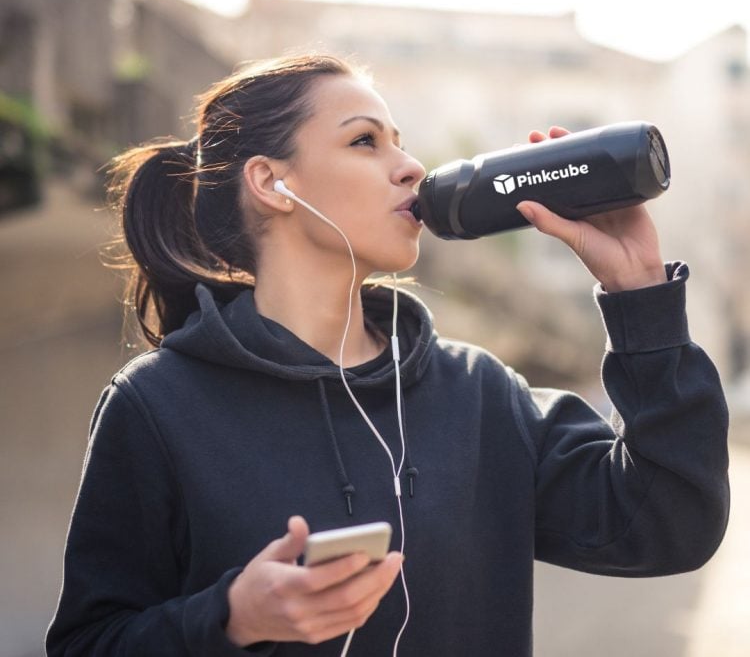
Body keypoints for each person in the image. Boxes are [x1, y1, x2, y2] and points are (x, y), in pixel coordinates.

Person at [46, 53, 730, 657]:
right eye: (365, 141)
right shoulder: (156, 407)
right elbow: (88, 642)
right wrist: (229, 620)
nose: (410, 166)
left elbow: (674, 523)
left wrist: (639, 294)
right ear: (270, 183)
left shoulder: (482, 394)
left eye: (400, 142)